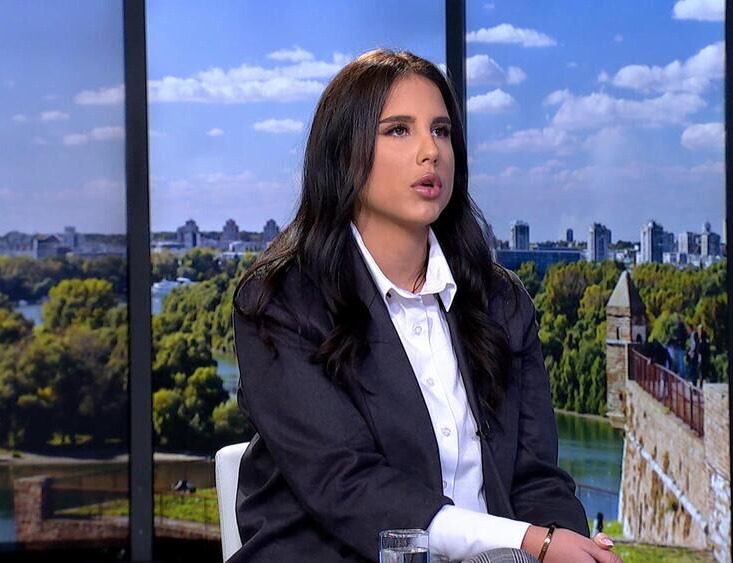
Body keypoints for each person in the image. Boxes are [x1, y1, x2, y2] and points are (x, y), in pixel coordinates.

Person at [229, 50, 621, 563]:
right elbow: (347, 484)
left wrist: (565, 542)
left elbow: (535, 478)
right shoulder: (280, 303)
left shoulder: (501, 304)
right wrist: (531, 541)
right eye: (398, 130)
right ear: (344, 154)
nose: (430, 151)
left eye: (441, 130)